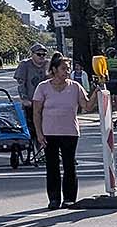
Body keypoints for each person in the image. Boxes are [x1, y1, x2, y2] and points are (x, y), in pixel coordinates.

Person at [32, 52, 89, 209]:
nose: (67, 71)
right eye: (64, 68)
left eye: (68, 68)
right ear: (54, 69)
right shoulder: (43, 87)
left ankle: (69, 198)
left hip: (69, 131)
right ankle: (54, 198)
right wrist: (39, 133)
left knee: (69, 165)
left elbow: (87, 106)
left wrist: (98, 92)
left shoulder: (75, 86)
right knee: (52, 166)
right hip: (49, 132)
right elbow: (36, 112)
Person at [14, 44, 49, 124]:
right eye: (39, 54)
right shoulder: (25, 65)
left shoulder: (48, 64)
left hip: (46, 103)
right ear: (32, 54)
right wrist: (24, 99)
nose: (41, 56)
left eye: (44, 54)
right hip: (31, 102)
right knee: (31, 124)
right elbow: (21, 84)